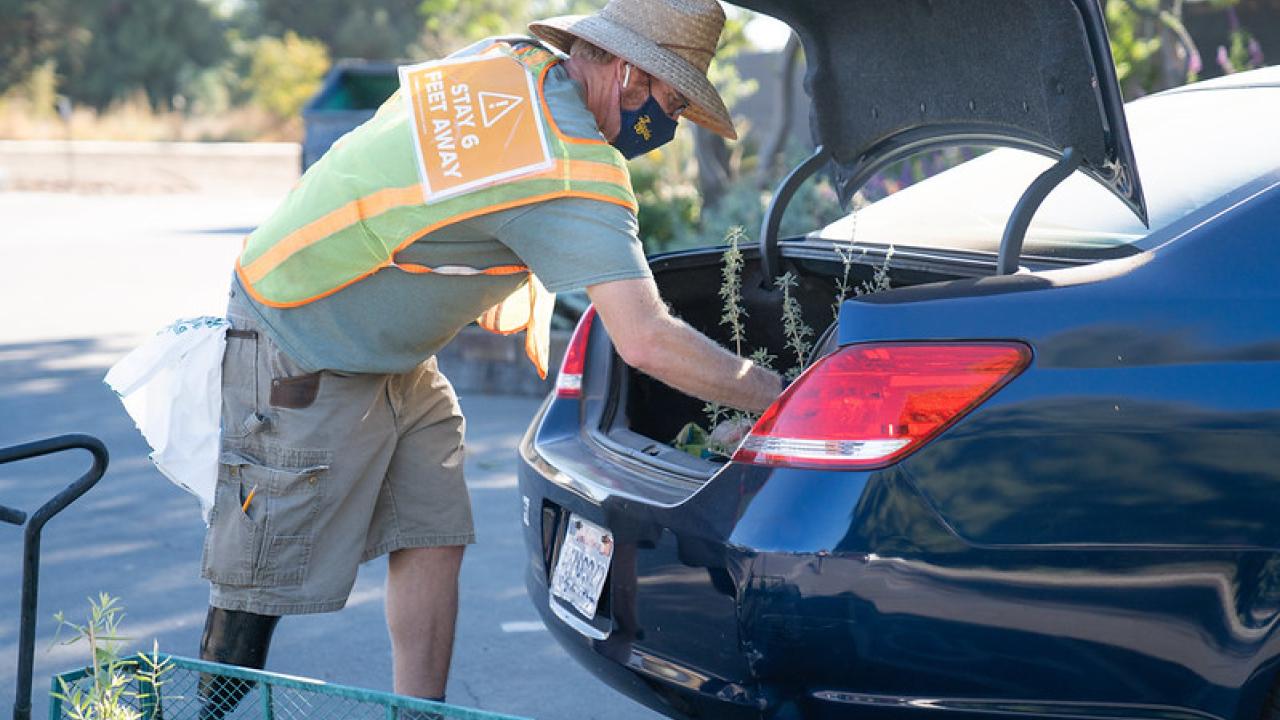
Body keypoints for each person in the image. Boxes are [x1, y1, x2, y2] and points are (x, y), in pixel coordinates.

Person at [196, 0, 783, 709]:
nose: (674, 125)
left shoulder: (511, 63)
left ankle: (421, 711)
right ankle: (208, 707)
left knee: (433, 533)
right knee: (260, 574)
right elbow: (647, 338)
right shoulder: (569, 170)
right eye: (676, 102)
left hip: (389, 347)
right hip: (300, 336)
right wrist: (782, 397)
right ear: (629, 76)